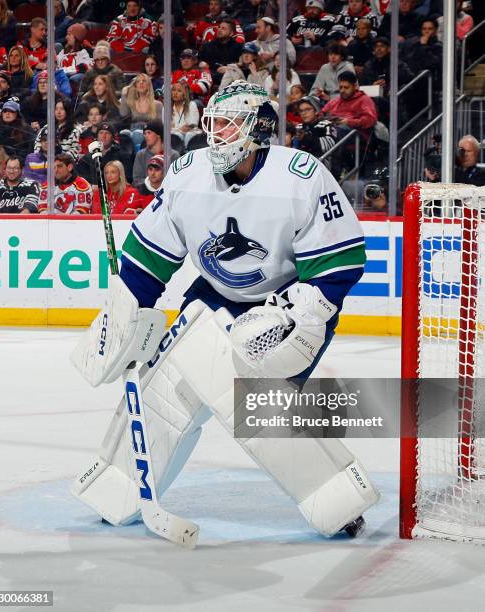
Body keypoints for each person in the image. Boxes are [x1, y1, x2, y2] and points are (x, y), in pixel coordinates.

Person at [72, 80, 378, 539]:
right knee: (166, 390)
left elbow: (338, 263)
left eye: (231, 125)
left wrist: (304, 313)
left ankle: (335, 496)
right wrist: (127, 314)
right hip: (213, 296)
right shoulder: (188, 173)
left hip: (287, 305)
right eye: (213, 124)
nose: (217, 134)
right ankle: (116, 488)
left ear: (259, 130)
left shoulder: (301, 175)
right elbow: (148, 258)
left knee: (254, 405)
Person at [321, 71, 378, 139]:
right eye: (341, 87)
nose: (342, 90)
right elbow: (322, 113)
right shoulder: (335, 101)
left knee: (335, 130)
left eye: (346, 87)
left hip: (355, 135)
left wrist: (349, 122)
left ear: (355, 86)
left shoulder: (364, 100)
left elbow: (370, 120)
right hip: (333, 130)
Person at [131, 119, 179, 189]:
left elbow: (176, 180)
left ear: (158, 135)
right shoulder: (140, 155)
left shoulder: (173, 155)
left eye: (149, 133)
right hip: (145, 193)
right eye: (145, 133)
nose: (146, 136)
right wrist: (152, 185)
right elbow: (137, 180)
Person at [119, 73, 163, 144]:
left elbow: (159, 126)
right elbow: (123, 114)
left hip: (150, 134)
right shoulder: (131, 103)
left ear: (148, 85)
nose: (141, 83)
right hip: (132, 132)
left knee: (138, 135)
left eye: (144, 81)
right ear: (135, 86)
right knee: (124, 133)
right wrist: (124, 94)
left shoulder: (157, 104)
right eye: (138, 81)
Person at [199, 18, 244, 87]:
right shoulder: (207, 46)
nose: (219, 30)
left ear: (231, 33)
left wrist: (228, 68)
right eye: (219, 27)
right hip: (211, 78)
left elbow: (243, 65)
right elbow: (200, 63)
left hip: (231, 80)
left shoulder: (238, 47)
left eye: (223, 28)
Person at [56, 22, 93, 87]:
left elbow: (83, 67)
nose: (66, 37)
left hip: (66, 80)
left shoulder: (84, 53)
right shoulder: (63, 51)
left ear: (77, 38)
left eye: (69, 34)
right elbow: (56, 66)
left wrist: (60, 72)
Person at [170, 81, 201, 148]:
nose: (175, 93)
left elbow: (192, 125)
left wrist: (176, 129)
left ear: (185, 94)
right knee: (176, 135)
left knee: (188, 135)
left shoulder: (191, 105)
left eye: (179, 91)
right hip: (174, 134)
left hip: (191, 132)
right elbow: (166, 127)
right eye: (173, 90)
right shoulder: (167, 107)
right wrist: (179, 129)